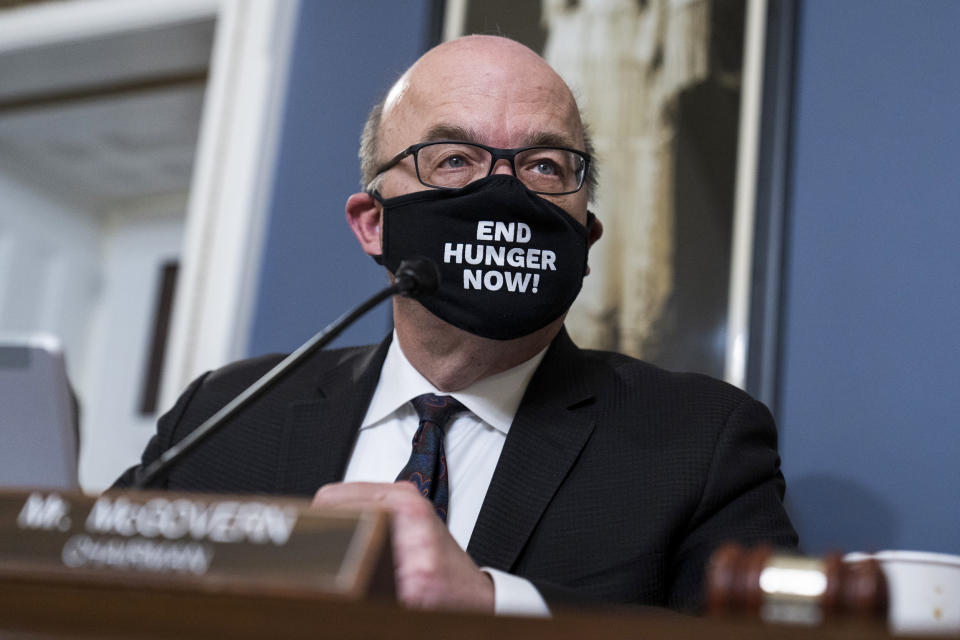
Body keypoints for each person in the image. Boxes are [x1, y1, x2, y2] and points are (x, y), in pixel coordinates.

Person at [116, 35, 796, 615]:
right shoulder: (226, 417)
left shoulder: (699, 442)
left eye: (544, 165)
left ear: (584, 236)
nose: (503, 192)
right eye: (452, 160)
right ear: (373, 224)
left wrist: (494, 605)